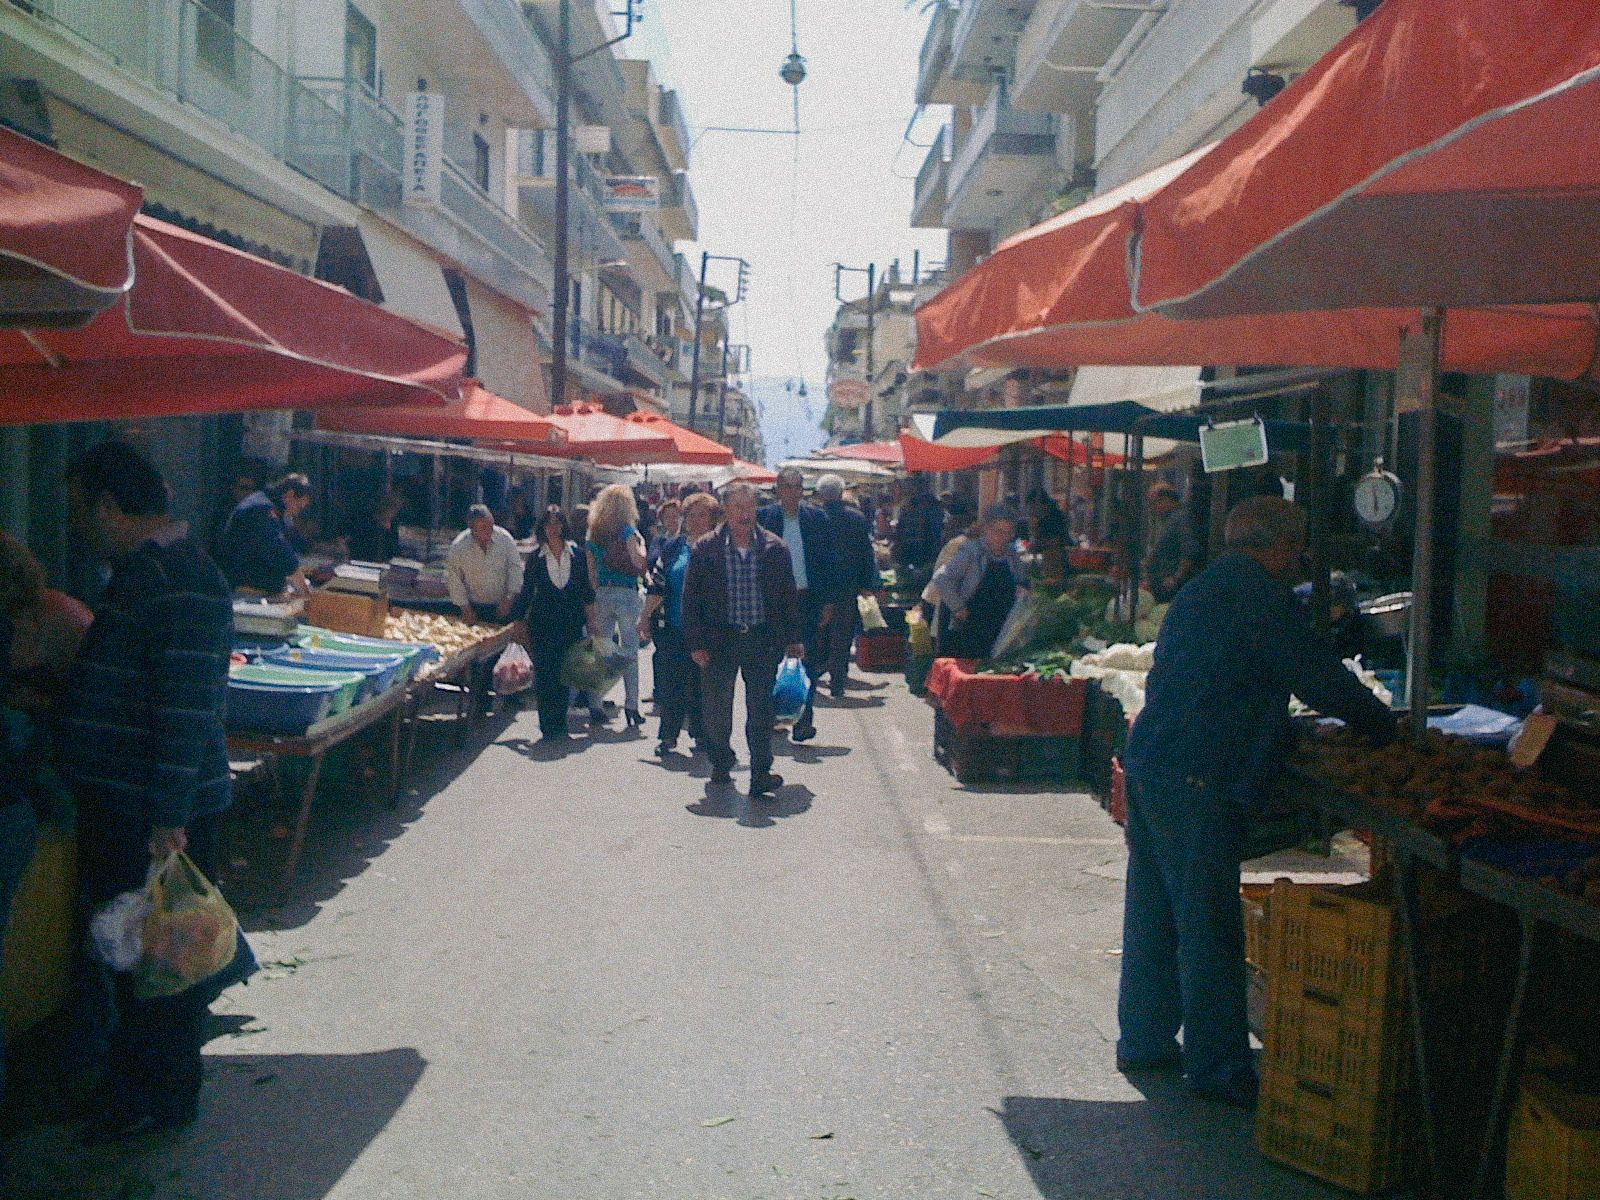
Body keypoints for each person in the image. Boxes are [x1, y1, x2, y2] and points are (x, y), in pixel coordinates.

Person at [1117, 496, 1397, 1108]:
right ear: (1278, 546)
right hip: (1197, 773)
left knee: (1155, 912)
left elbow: (1222, 678)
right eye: (1297, 545)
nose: (1300, 557)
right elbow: (1315, 676)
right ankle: (1219, 1069)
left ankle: (1143, 1040)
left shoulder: (1207, 588)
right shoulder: (1255, 595)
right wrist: (1386, 728)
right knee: (1208, 925)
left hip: (1155, 761)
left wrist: (1280, 728)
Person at [58, 442, 234, 1140]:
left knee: (160, 963)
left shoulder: (175, 580)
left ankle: (154, 1096)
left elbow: (187, 707)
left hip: (154, 816)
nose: (74, 526)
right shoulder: (149, 575)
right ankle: (142, 1090)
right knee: (138, 958)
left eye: (78, 510)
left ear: (109, 506)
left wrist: (167, 818)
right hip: (136, 806)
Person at [682, 482, 804, 797]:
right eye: (737, 507)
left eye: (749, 507)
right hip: (719, 640)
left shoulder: (775, 548)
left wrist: (794, 637)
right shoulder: (706, 548)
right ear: (725, 511)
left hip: (762, 639)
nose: (743, 514)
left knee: (761, 709)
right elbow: (691, 598)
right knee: (716, 708)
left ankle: (761, 771)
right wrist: (695, 643)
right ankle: (721, 761)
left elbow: (788, 597)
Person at [757, 468, 836, 742]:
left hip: (807, 599)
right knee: (771, 662)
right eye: (787, 486)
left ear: (802, 490)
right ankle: (775, 718)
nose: (792, 492)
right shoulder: (765, 518)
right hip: (773, 602)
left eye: (797, 487)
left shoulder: (817, 519)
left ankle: (803, 720)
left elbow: (828, 563)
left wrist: (828, 601)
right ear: (778, 489)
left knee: (807, 661)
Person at [513, 507, 598, 740]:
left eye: (557, 523)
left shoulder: (578, 556)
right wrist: (518, 621)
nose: (553, 529)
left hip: (570, 622)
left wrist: (592, 621)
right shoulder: (535, 559)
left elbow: (586, 592)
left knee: (564, 674)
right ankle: (547, 724)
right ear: (542, 528)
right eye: (549, 524)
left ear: (564, 526)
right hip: (543, 623)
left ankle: (560, 722)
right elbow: (527, 591)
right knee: (546, 674)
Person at [646, 492, 719, 756]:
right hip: (673, 627)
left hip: (709, 631)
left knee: (703, 685)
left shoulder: (721, 547)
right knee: (671, 684)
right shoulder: (673, 547)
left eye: (702, 514)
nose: (696, 520)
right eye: (691, 514)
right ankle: (668, 736)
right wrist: (644, 617)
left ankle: (701, 734)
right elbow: (657, 585)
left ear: (713, 519)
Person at [585, 484, 649, 729]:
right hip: (626, 594)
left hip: (602, 593)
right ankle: (631, 706)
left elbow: (591, 571)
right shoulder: (627, 531)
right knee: (629, 650)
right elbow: (638, 562)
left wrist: (597, 592)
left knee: (600, 649)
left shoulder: (594, 532)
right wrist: (642, 548)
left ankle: (595, 704)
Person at [929, 505, 1029, 659]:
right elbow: (941, 578)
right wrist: (957, 607)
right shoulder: (971, 552)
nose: (1002, 537)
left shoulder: (1012, 555)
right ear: (986, 529)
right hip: (967, 628)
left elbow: (1021, 581)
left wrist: (1021, 589)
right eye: (997, 531)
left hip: (998, 628)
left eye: (1008, 532)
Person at [815, 475, 876, 699]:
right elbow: (866, 553)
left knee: (819, 630)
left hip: (819, 586)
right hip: (846, 586)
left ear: (820, 495)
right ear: (841, 494)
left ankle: (816, 671)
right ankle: (838, 681)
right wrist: (866, 583)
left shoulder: (813, 517)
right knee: (842, 634)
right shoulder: (856, 518)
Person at [215, 471, 312, 596]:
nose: (297, 513)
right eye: (298, 506)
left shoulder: (267, 504)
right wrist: (304, 590)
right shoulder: (261, 509)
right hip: (245, 589)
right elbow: (278, 550)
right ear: (290, 494)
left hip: (253, 584)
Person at [446, 504, 522, 626]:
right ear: (472, 529)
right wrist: (466, 609)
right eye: (483, 527)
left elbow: (515, 569)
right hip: (473, 606)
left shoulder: (505, 539)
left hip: (503, 606)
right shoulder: (459, 547)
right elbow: (454, 580)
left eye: (490, 526)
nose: (489, 531)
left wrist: (509, 599)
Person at [1143, 482, 1201, 603]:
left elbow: (1190, 550)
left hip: (1172, 588)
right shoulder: (1168, 520)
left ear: (1165, 500)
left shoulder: (1181, 519)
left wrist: (1176, 578)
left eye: (1154, 503)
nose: (1152, 508)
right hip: (1161, 585)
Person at [892, 476, 946, 576]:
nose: (894, 494)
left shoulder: (925, 506)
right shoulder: (908, 508)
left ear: (906, 490)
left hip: (923, 558)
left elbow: (935, 533)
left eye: (897, 490)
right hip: (917, 558)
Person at [346, 493, 403, 563]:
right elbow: (359, 549)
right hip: (363, 563)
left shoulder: (393, 525)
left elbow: (393, 550)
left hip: (385, 563)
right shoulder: (365, 524)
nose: (393, 514)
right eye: (392, 510)